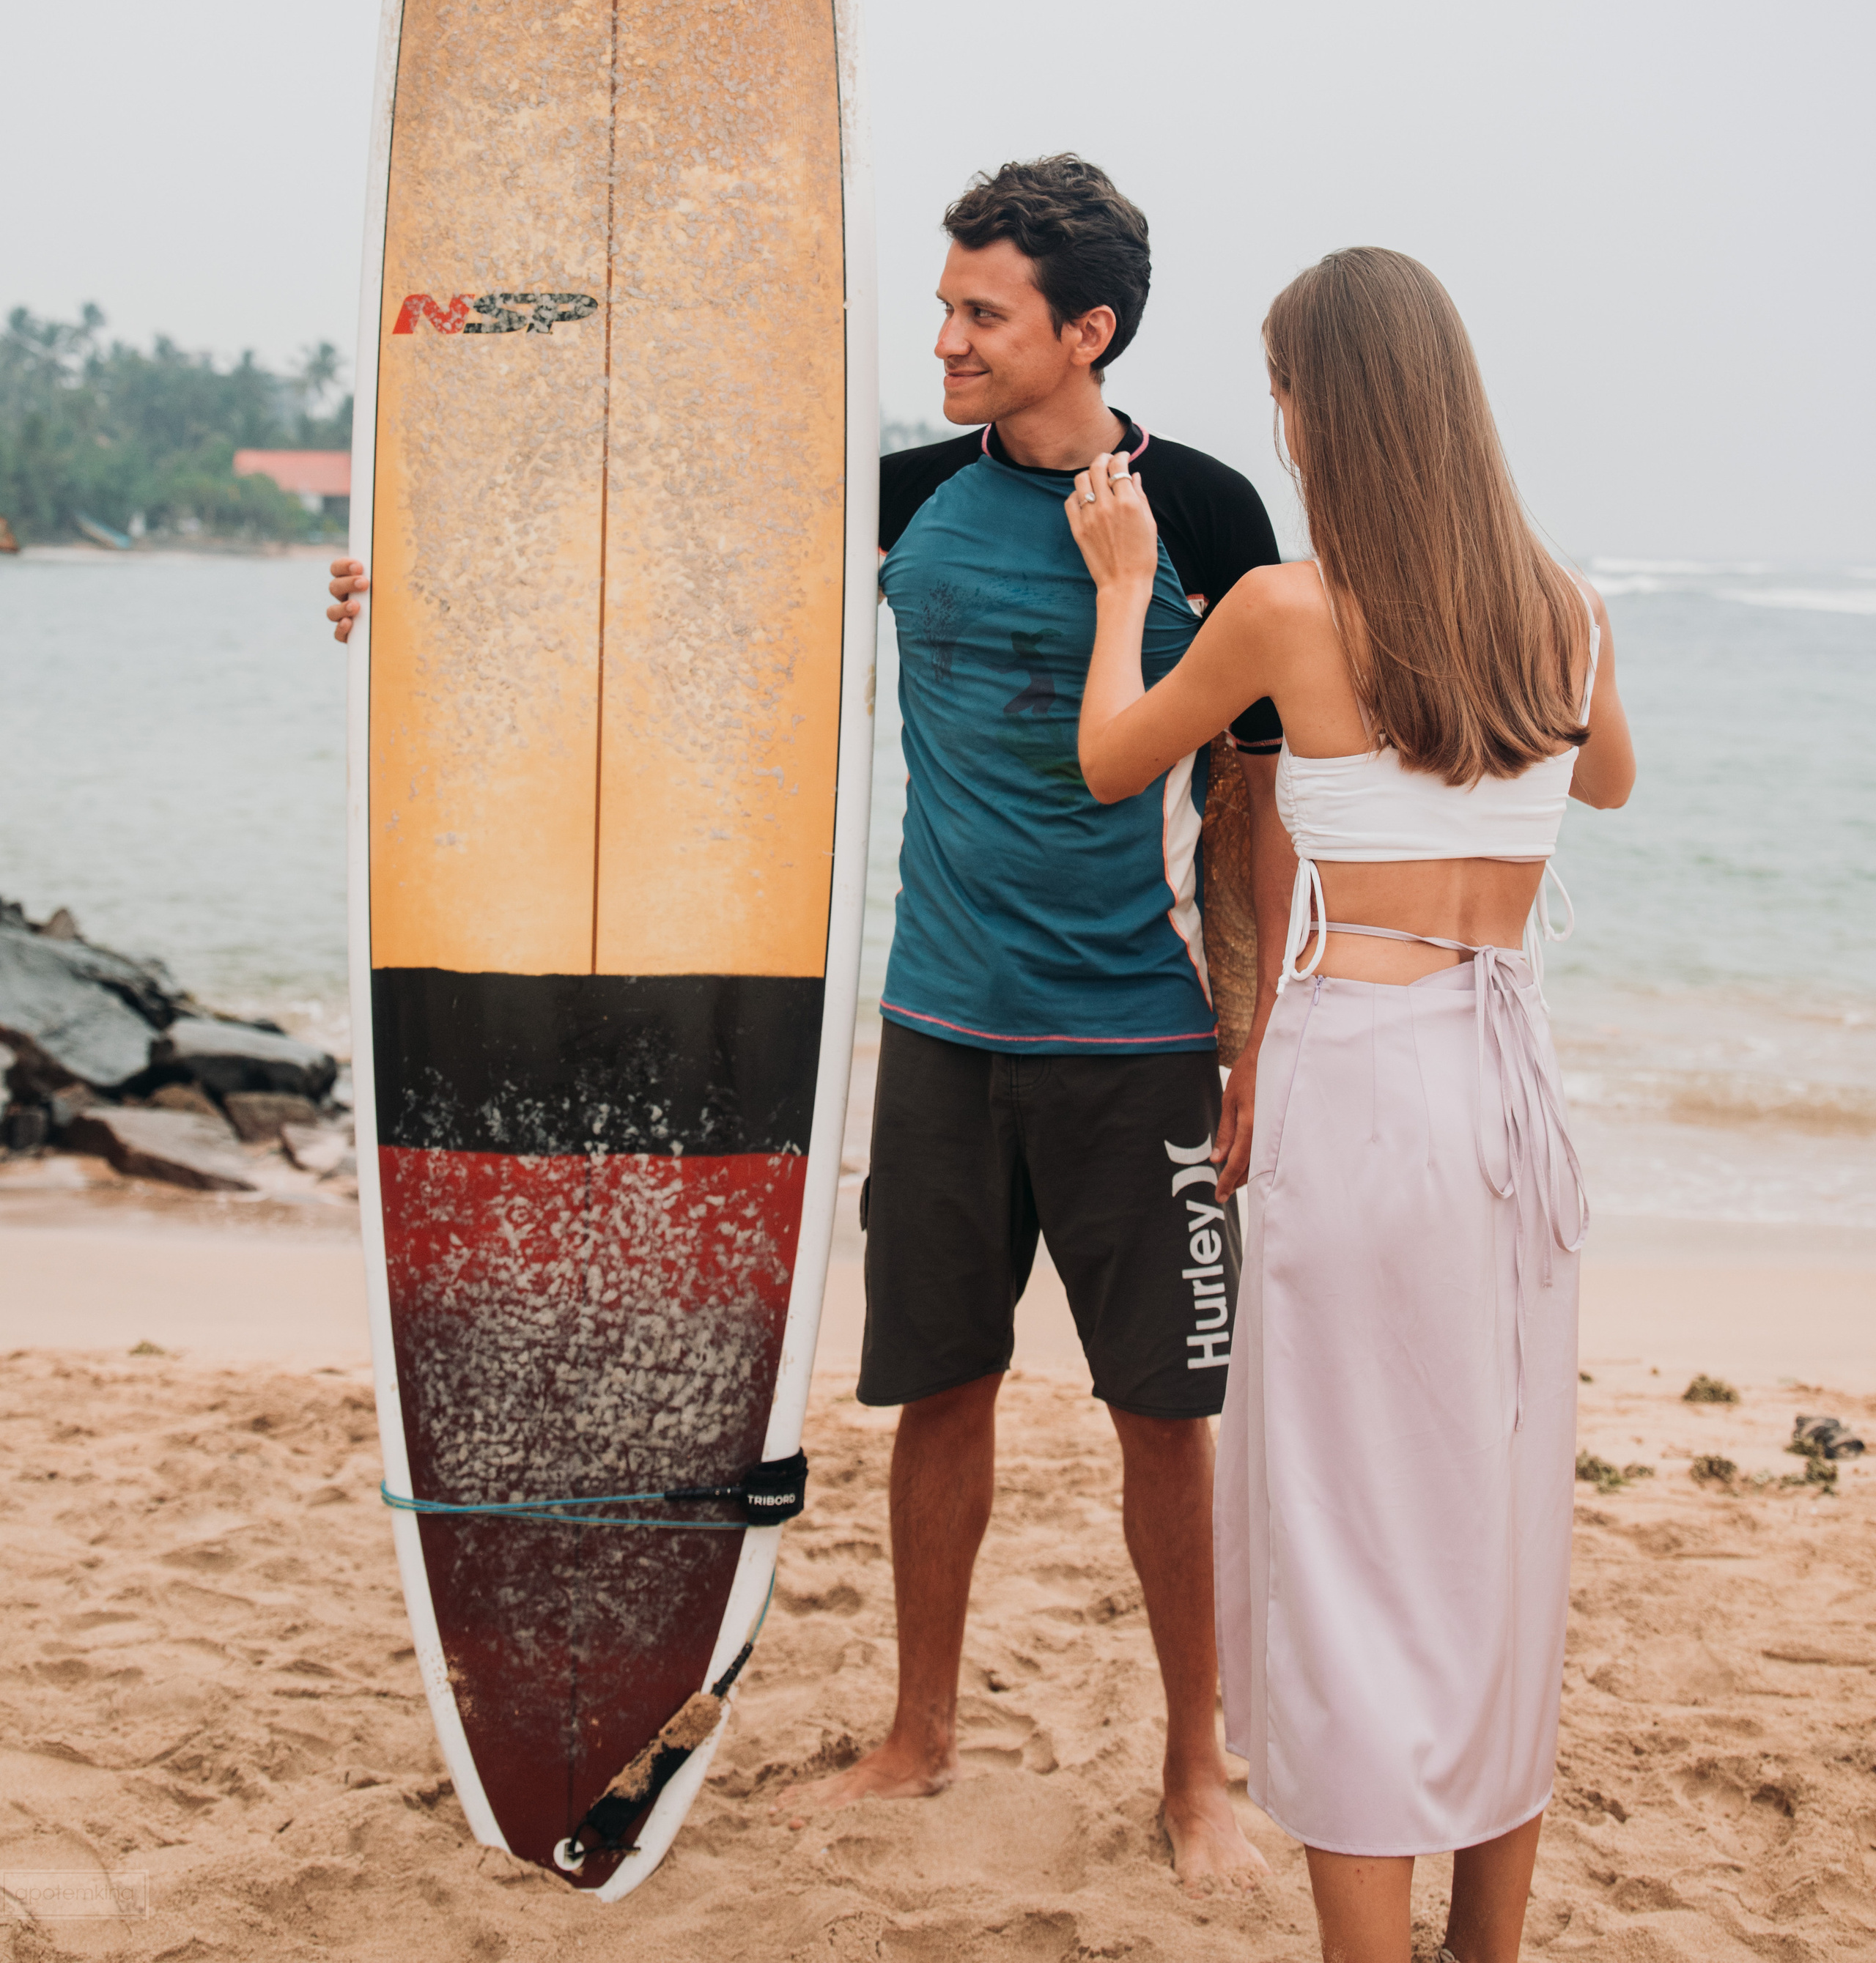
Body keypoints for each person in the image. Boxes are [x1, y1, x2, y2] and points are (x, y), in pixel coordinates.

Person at [328, 155, 1296, 1888]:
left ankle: (1191, 1772)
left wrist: (1251, 1040)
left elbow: (1246, 808)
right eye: (943, 306)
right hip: (938, 1027)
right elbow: (647, 592)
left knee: (1164, 1416)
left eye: (979, 313)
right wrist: (404, 598)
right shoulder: (904, 499)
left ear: (1085, 330)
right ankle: (920, 1736)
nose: (944, 341)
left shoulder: (1208, 516)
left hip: (1135, 1042)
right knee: (941, 1388)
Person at [1062, 247, 1636, 1963]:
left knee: (1344, 1538)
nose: (1277, 421)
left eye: (1282, 390)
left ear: (1323, 410)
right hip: (1505, 1095)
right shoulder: (1565, 608)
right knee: (1494, 1531)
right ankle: (1483, 1949)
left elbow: (1109, 760)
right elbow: (1603, 776)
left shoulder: (1283, 610)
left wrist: (1123, 586)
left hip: (1362, 1087)